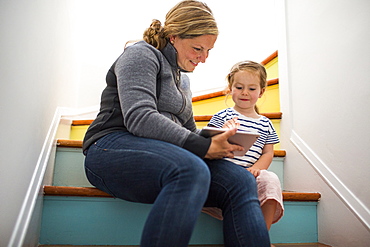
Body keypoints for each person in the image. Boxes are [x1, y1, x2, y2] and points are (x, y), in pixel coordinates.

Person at [82, 1, 270, 246]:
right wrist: (200, 146)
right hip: (110, 147)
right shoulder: (140, 54)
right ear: (173, 36)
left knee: (241, 180)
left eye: (208, 50)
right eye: (197, 48)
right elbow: (139, 117)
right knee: (190, 168)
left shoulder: (183, 80)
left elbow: (188, 132)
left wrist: (214, 140)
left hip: (163, 156)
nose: (203, 58)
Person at [202, 60, 284, 232]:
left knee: (271, 179)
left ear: (261, 92)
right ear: (230, 89)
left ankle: (262, 234)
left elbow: (268, 152)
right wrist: (222, 132)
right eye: (239, 87)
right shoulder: (222, 116)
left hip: (251, 173)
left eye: (252, 89)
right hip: (224, 173)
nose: (245, 93)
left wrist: (256, 169)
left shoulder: (266, 123)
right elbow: (207, 144)